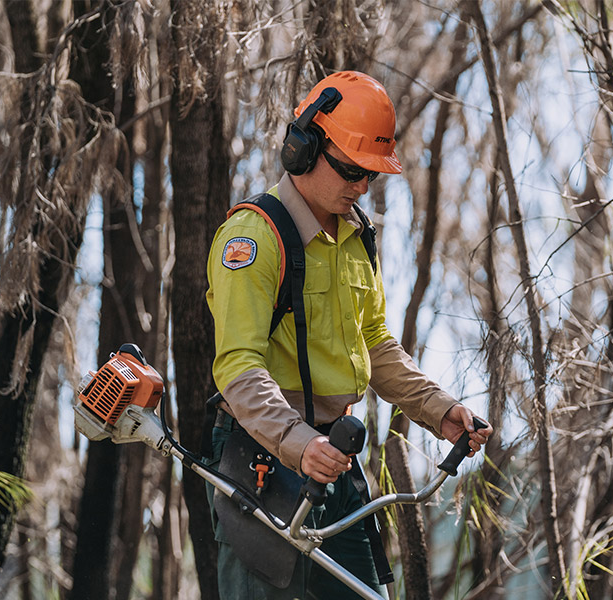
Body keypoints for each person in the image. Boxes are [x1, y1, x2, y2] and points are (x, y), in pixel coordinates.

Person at [205, 70, 492, 599]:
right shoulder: (253, 237)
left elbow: (376, 345)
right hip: (263, 462)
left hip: (335, 461)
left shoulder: (357, 238)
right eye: (352, 170)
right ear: (303, 149)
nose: (361, 186)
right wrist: (298, 442)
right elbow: (238, 368)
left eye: (371, 176)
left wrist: (439, 409)